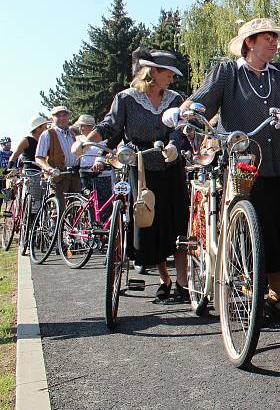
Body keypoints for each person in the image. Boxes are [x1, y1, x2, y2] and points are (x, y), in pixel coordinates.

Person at [164, 17, 280, 319]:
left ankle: (275, 293)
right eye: (267, 37)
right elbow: (201, 100)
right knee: (250, 226)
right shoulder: (228, 73)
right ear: (250, 43)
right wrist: (181, 111)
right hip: (244, 161)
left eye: (275, 38)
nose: (274, 43)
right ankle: (245, 284)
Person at [77, 48, 190, 304]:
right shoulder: (126, 98)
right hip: (140, 167)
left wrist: (174, 144)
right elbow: (110, 126)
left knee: (177, 223)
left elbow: (179, 127)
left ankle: (183, 282)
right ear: (154, 73)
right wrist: (86, 141)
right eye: (169, 74)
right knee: (149, 223)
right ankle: (165, 279)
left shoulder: (174, 99)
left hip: (170, 165)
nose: (172, 79)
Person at [35, 106, 81, 204]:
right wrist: (49, 169)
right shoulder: (47, 134)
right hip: (58, 176)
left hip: (74, 174)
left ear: (68, 117)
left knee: (76, 209)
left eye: (64, 115)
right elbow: (39, 158)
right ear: (52, 119)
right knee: (59, 209)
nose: (61, 118)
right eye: (58, 116)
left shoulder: (72, 134)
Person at [74, 114, 113, 221]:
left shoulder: (103, 140)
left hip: (103, 175)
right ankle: (91, 227)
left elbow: (104, 152)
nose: (80, 129)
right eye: (79, 126)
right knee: (89, 204)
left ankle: (104, 231)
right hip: (86, 175)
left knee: (104, 205)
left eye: (83, 126)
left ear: (91, 127)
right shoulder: (79, 140)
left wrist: (100, 161)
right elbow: (74, 153)